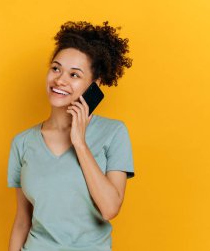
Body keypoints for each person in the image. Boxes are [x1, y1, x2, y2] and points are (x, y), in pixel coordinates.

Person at [7, 20, 135, 251]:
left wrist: (79, 143)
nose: (60, 80)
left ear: (93, 86)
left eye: (74, 75)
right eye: (56, 68)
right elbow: (22, 222)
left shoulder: (114, 133)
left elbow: (110, 209)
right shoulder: (22, 142)